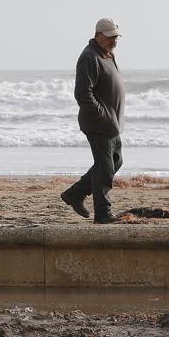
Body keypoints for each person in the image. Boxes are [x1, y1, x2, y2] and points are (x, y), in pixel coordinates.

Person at [61, 17, 127, 225]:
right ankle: (103, 213)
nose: (114, 40)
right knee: (105, 168)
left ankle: (75, 193)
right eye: (109, 37)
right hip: (99, 123)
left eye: (116, 37)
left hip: (111, 123)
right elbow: (82, 93)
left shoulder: (107, 55)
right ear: (98, 35)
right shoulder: (89, 57)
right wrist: (101, 115)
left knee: (115, 162)